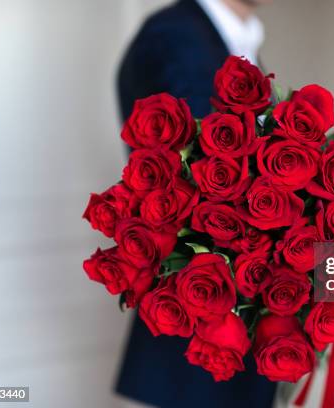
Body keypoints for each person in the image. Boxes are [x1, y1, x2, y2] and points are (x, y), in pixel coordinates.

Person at [115, 1, 276, 407]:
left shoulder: (239, 37)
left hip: (234, 316)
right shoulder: (176, 35)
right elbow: (204, 177)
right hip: (197, 322)